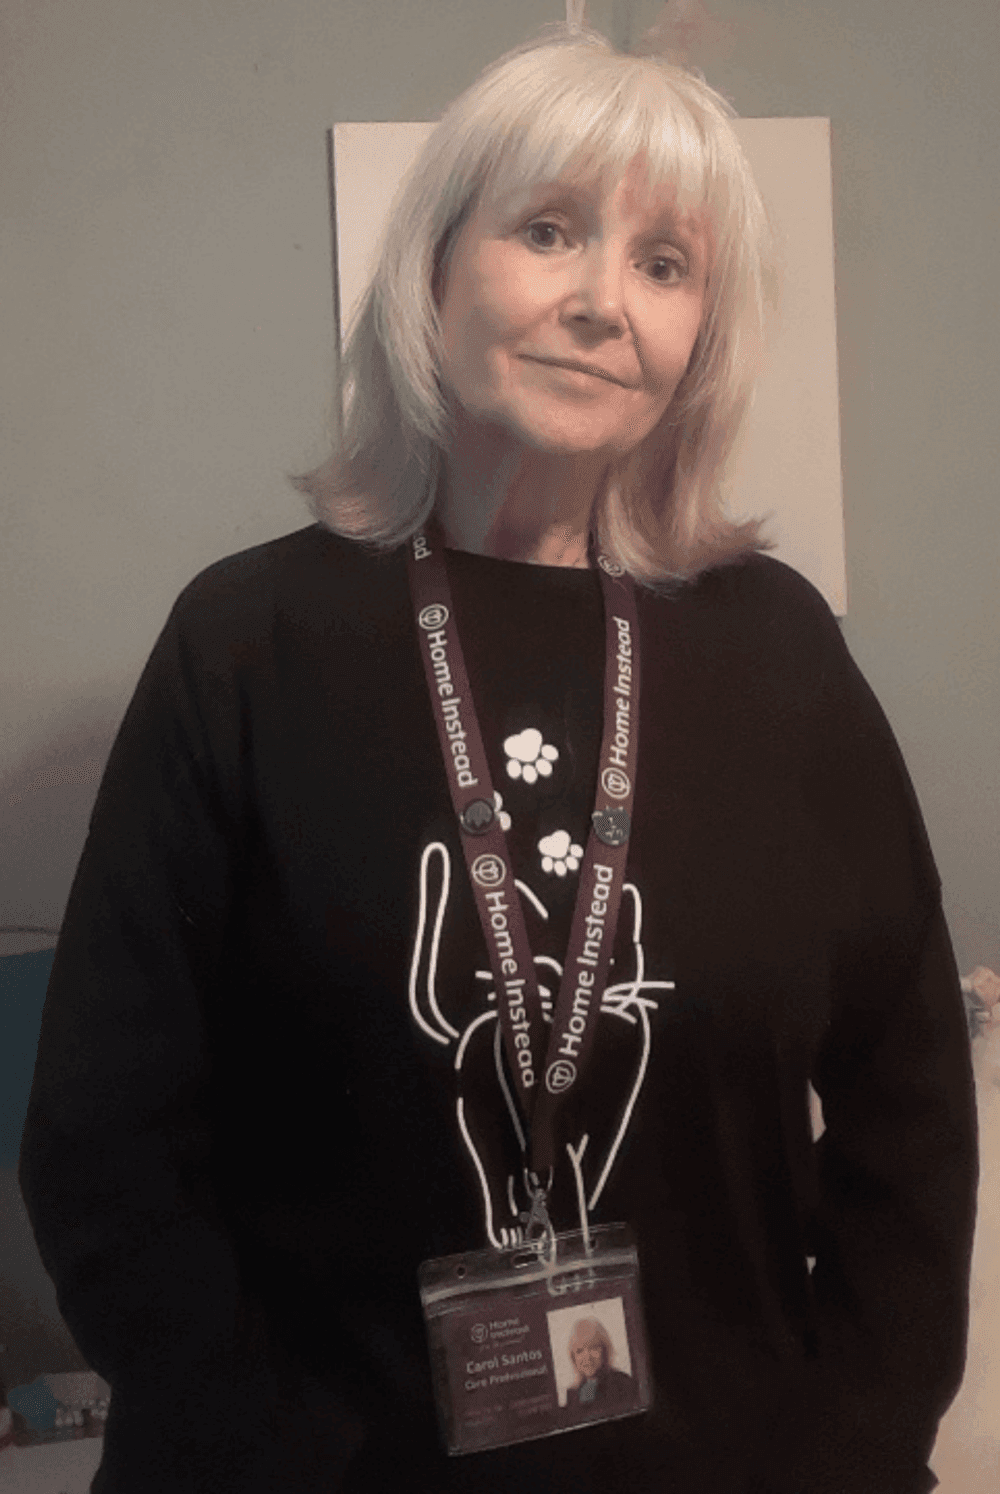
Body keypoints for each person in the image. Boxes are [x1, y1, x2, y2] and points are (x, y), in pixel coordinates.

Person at [19, 22, 976, 1494]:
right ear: (435, 269)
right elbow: (104, 1145)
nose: (605, 302)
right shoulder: (247, 640)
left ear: (700, 338)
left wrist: (848, 1449)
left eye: (667, 264)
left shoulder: (778, 647)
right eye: (549, 231)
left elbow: (911, 1103)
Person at [564, 1318, 635, 1413]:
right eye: (579, 1351)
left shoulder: (623, 1384)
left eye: (593, 1348)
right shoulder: (572, 1395)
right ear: (573, 1358)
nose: (587, 1357)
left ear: (605, 1350)